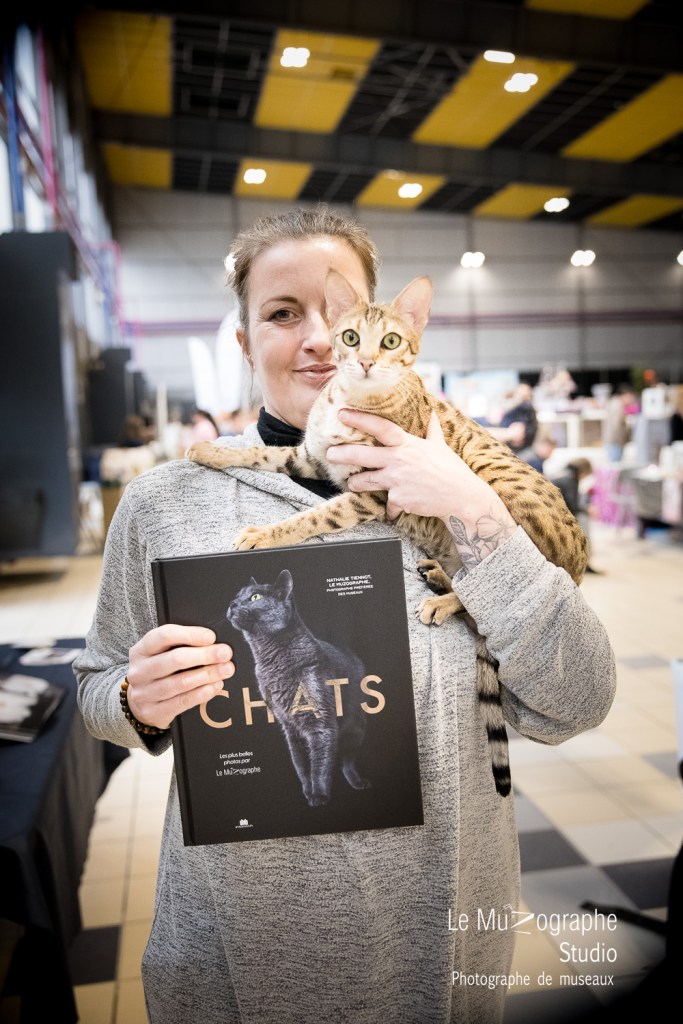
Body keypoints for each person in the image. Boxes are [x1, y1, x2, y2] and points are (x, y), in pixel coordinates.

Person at [74, 206, 616, 1024]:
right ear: (245, 341)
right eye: (283, 313)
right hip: (235, 953)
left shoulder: (465, 495)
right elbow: (94, 685)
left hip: (437, 947)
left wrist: (478, 518)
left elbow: (579, 700)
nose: (324, 340)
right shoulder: (164, 503)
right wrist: (131, 700)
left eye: (341, 312)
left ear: (390, 326)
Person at [603, 384, 637, 462]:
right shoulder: (617, 405)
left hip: (615, 441)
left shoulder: (615, 403)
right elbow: (616, 426)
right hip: (615, 442)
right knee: (615, 467)